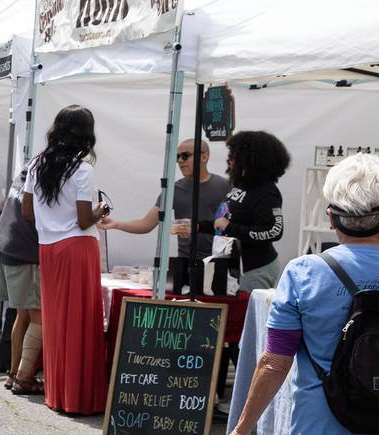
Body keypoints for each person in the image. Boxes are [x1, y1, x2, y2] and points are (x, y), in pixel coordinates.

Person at [229, 153, 379, 435]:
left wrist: (242, 428)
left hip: (320, 423)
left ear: (331, 218)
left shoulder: (304, 272)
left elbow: (275, 362)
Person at [22, 105, 112, 415]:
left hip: (49, 247)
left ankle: (58, 393)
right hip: (77, 247)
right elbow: (86, 219)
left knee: (58, 322)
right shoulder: (83, 170)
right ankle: (79, 396)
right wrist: (101, 211)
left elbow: (27, 211)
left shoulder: (37, 165)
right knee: (81, 321)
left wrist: (52, 220)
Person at [98, 139, 231, 295]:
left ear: (204, 157)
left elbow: (234, 224)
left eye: (185, 156)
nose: (180, 161)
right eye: (177, 156)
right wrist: (116, 224)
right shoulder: (174, 190)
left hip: (219, 264)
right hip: (186, 263)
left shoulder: (224, 186)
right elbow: (146, 224)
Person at [214, 131, 292, 291]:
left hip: (255, 270)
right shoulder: (241, 185)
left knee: (250, 315)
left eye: (234, 155)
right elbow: (228, 221)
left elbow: (273, 231)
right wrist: (200, 227)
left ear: (250, 159)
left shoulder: (266, 192)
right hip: (237, 267)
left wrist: (229, 227)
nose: (229, 159)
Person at [0, 172, 44, 395]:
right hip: (24, 252)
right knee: (38, 315)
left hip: (7, 246)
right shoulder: (40, 179)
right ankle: (23, 377)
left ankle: (14, 373)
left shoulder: (24, 175)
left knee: (22, 314)